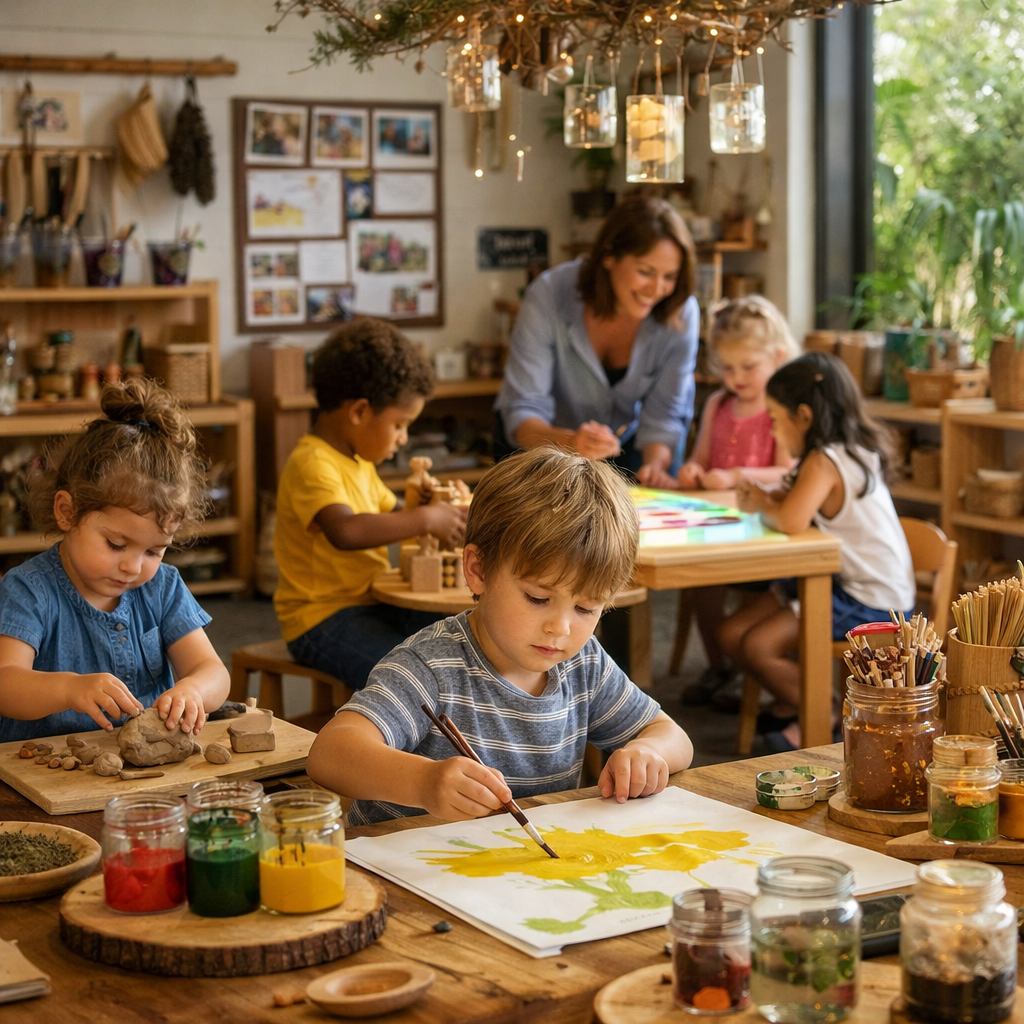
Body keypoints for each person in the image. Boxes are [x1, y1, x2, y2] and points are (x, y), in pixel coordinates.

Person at [306, 446, 694, 825]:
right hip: (409, 868)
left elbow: (671, 735)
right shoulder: (432, 666)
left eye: (585, 608)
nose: (560, 627)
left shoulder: (583, 662)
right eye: (537, 598)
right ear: (478, 569)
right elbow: (330, 754)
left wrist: (647, 751)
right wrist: (423, 782)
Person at [0, 378, 230, 743]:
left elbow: (212, 671)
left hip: (142, 773)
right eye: (115, 544)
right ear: (67, 512)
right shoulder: (28, 590)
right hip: (44, 773)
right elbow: (6, 682)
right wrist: (68, 690)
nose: (134, 567)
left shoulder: (163, 586)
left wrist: (194, 692)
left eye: (154, 551)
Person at [720, 351, 916, 752]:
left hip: (871, 601)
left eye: (775, 419)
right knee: (732, 633)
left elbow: (791, 520)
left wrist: (759, 502)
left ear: (804, 417)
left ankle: (825, 711)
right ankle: (797, 701)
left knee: (756, 644)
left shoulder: (827, 460)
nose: (773, 432)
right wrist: (770, 495)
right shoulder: (844, 451)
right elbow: (799, 504)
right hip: (844, 584)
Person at [274, 318, 467, 690]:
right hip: (322, 619)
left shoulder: (358, 461)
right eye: (399, 425)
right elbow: (346, 530)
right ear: (360, 412)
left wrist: (425, 503)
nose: (403, 438)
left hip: (372, 603)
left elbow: (391, 513)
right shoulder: (312, 462)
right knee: (406, 678)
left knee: (451, 646)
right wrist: (425, 517)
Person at [644, 296, 801, 708]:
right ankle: (719, 666)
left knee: (748, 599)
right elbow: (698, 459)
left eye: (749, 367)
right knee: (701, 590)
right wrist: (693, 473)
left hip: (759, 533)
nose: (737, 377)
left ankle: (754, 676)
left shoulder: (777, 411)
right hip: (715, 526)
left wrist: (735, 476)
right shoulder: (718, 404)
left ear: (778, 358)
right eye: (728, 368)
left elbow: (787, 472)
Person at [494, 192, 700, 484]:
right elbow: (524, 411)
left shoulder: (681, 311)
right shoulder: (549, 294)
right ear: (608, 256)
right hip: (541, 453)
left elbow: (665, 414)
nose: (657, 288)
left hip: (626, 450)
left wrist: (654, 466)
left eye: (670, 276)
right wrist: (572, 444)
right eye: (645, 272)